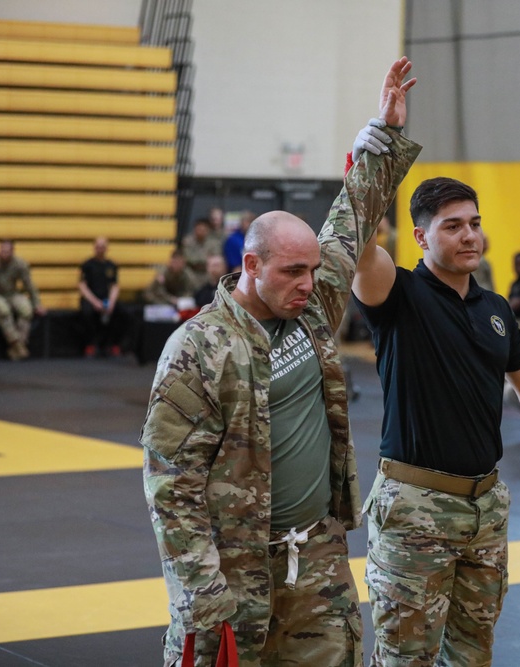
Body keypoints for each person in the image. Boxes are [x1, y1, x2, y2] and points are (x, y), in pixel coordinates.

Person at [140, 57, 422, 667]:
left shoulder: (313, 305)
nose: (308, 281)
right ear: (251, 266)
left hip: (316, 556)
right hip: (233, 568)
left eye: (312, 269)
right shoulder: (199, 348)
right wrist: (199, 587)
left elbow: (351, 219)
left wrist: (385, 132)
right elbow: (171, 480)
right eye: (292, 270)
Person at [351, 175, 520, 666]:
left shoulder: (494, 308)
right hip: (414, 513)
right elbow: (358, 247)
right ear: (422, 237)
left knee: (473, 656)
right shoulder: (397, 294)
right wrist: (373, 157)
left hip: (484, 510)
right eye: (452, 226)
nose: (470, 235)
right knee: (405, 658)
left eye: (474, 223)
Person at [0, 239, 45, 360]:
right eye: (1, 250)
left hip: (12, 293)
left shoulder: (20, 264)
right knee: (3, 311)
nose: (3, 253)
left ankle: (17, 347)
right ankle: (17, 344)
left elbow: (29, 285)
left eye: (6, 251)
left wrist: (37, 303)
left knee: (26, 310)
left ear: (12, 251)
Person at [78, 237, 127, 358]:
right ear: (94, 248)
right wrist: (95, 302)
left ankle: (113, 345)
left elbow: (114, 286)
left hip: (106, 299)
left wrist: (111, 302)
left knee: (121, 312)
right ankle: (91, 345)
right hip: (91, 298)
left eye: (103, 247)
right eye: (98, 246)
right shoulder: (87, 265)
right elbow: (82, 286)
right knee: (87, 312)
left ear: (107, 248)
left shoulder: (111, 265)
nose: (100, 249)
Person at [182, 218, 224, 288]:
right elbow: (187, 258)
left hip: (207, 269)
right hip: (192, 269)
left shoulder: (213, 242)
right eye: (199, 229)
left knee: (217, 269)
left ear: (208, 230)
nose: (201, 232)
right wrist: (204, 259)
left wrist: (204, 261)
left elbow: (216, 258)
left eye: (203, 230)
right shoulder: (188, 241)